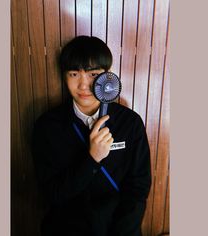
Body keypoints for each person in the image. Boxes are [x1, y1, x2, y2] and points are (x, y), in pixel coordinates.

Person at [32, 35, 151, 236]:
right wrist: (92, 159)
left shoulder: (130, 123)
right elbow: (52, 194)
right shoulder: (47, 126)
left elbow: (138, 188)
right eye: (73, 74)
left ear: (107, 77)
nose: (83, 85)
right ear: (64, 76)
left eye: (93, 74)